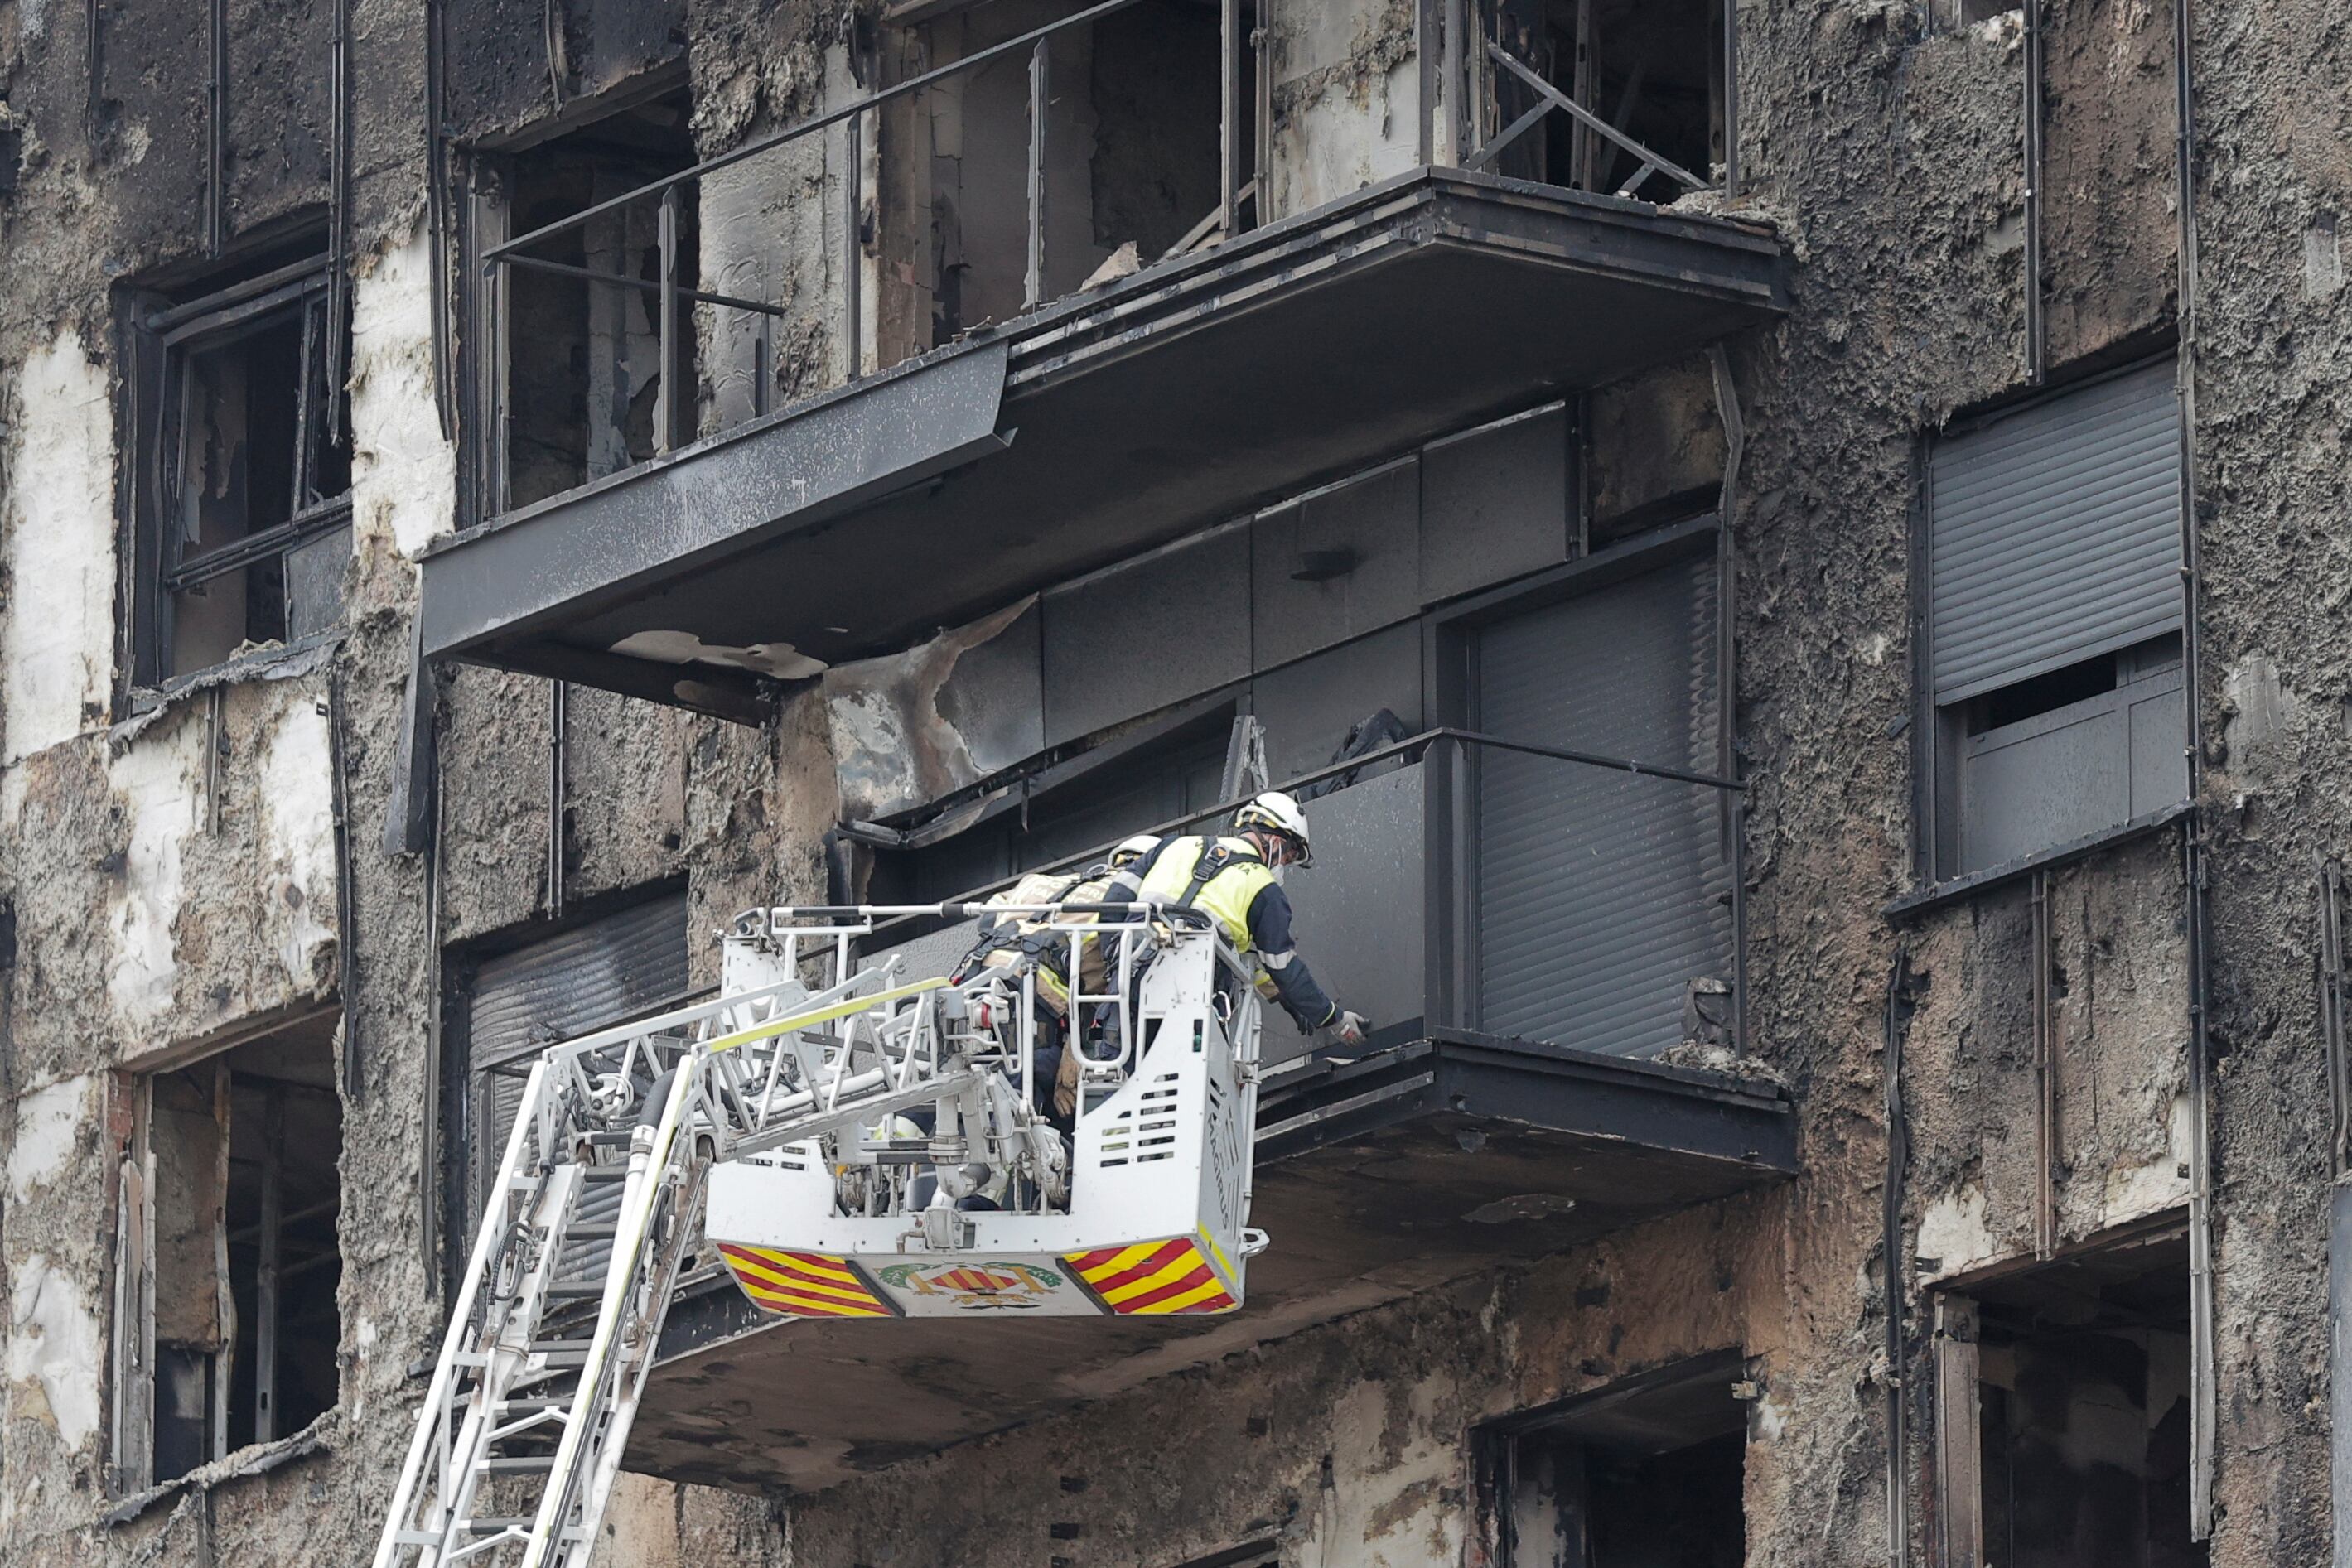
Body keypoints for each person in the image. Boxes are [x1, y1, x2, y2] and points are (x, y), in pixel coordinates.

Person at [1119, 791, 1368, 1048]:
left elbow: (1115, 899)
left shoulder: (1172, 846)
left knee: (1116, 1071)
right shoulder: (1266, 890)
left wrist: (1113, 962)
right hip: (1192, 995)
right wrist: (1333, 1018)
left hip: (1130, 974)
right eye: (1289, 856)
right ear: (1274, 839)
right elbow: (1285, 969)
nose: (1284, 863)